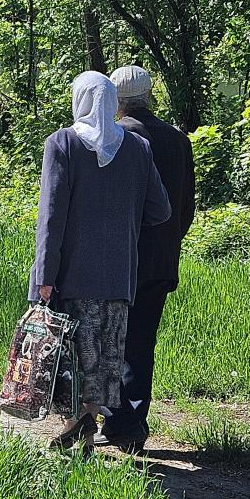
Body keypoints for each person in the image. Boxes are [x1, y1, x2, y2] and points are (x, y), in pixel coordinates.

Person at [30, 71, 171, 454]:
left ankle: (77, 427)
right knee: (105, 358)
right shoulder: (138, 148)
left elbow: (52, 217)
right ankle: (87, 434)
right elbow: (160, 210)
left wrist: (43, 275)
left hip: (71, 274)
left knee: (70, 358)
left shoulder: (62, 143)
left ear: (81, 100)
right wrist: (122, 217)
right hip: (119, 277)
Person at [95, 65, 196, 452]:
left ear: (115, 101)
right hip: (162, 260)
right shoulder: (178, 139)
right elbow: (186, 207)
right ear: (150, 95)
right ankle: (132, 422)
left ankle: (116, 421)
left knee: (110, 339)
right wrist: (169, 243)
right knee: (141, 342)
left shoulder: (120, 138)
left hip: (123, 260)